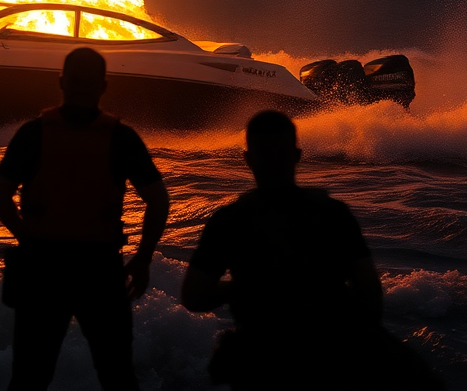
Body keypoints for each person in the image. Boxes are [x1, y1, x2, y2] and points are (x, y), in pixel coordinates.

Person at [180, 110, 440, 390]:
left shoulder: (229, 221)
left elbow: (194, 296)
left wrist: (246, 287)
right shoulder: (334, 214)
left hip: (263, 364)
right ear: (297, 156)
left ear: (247, 160)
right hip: (331, 362)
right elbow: (370, 295)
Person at [0, 47, 170, 391]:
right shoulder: (121, 137)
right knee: (117, 377)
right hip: (100, 272)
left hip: (42, 271)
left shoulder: (33, 133)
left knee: (29, 378)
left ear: (61, 82)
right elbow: (158, 200)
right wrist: (143, 259)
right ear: (104, 86)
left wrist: (27, 237)